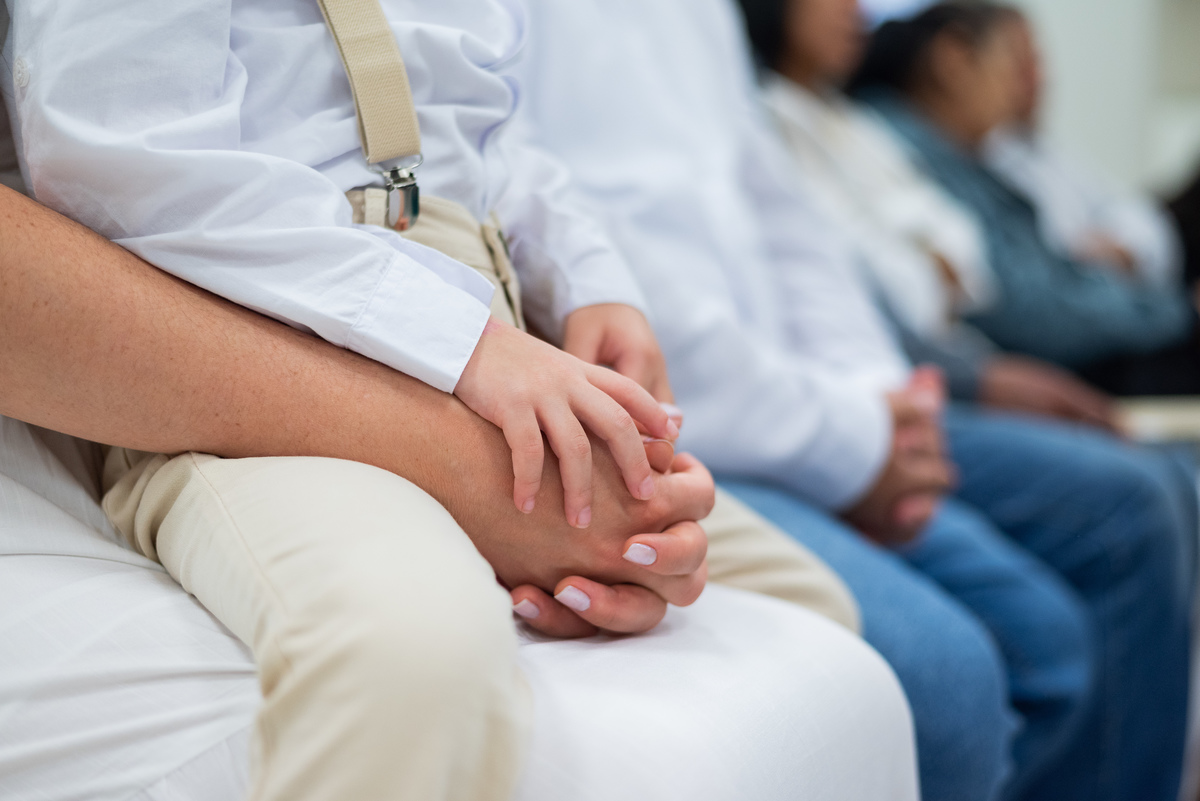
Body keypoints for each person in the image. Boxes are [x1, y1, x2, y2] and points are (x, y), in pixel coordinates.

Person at [2, 3, 914, 800]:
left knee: (809, 601)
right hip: (257, 358)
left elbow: (489, 136)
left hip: (498, 333)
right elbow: (121, 163)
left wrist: (590, 281)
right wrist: (459, 340)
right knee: (406, 655)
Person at [515, 1, 1196, 799]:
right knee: (956, 673)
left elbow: (789, 229)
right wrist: (860, 440)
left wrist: (885, 409)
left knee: (1099, 552)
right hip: (707, 425)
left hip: (812, 408)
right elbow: (619, 285)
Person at [740, 0, 1119, 429]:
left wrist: (926, 258)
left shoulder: (851, 122)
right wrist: (927, 260)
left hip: (939, 363)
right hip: (886, 379)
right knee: (1133, 486)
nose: (854, 11)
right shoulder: (762, 119)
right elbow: (869, 275)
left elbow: (965, 249)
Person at [849, 2, 1200, 395]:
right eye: (1014, 62)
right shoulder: (907, 150)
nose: (1028, 82)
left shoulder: (979, 156)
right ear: (951, 60)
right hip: (1049, 366)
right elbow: (1027, 313)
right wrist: (1178, 312)